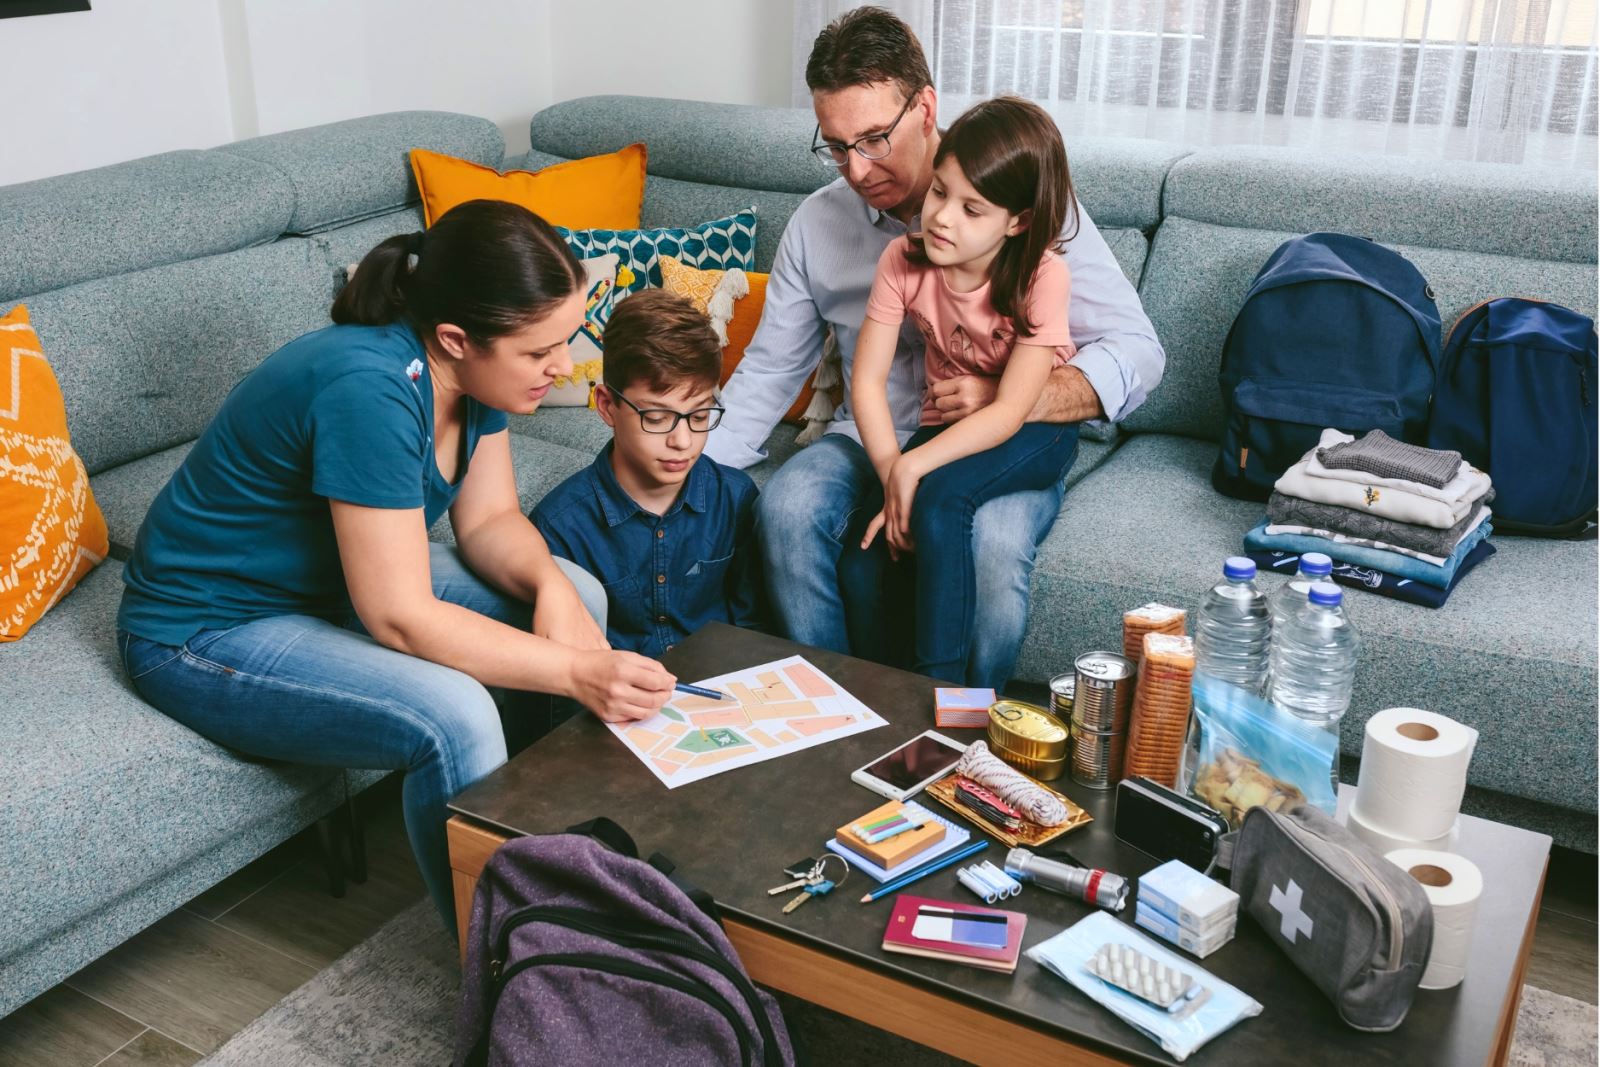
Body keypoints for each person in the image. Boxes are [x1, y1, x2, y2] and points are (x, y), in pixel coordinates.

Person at [116, 200, 677, 932]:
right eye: (540, 351)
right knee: (455, 715)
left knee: (576, 590)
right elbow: (400, 614)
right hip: (204, 628)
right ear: (455, 338)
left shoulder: (476, 379)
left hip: (324, 589)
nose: (563, 366)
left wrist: (548, 588)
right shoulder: (370, 388)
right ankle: (504, 970)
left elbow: (490, 521)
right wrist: (574, 671)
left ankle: (564, 851)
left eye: (565, 341)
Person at [705, 6, 1165, 690]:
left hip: (996, 435)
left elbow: (1138, 350)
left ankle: (965, 733)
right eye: (836, 145)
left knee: (994, 545)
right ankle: (841, 712)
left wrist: (1016, 396)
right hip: (871, 435)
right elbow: (771, 370)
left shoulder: (1022, 202)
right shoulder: (820, 226)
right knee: (787, 507)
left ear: (925, 107)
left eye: (874, 139)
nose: (856, 169)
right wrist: (682, 471)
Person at [854, 96, 1079, 684]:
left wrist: (915, 471)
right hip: (947, 425)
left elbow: (1009, 412)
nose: (943, 218)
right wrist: (890, 474)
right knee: (876, 542)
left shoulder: (1041, 276)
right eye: (939, 193)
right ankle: (884, 691)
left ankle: (943, 698)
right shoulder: (902, 260)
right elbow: (867, 381)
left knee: (943, 499)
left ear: (1018, 221)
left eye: (971, 208)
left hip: (1035, 430)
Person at [532, 290, 763, 655]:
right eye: (657, 418)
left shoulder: (736, 498)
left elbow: (754, 629)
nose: (683, 440)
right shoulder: (559, 526)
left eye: (700, 416)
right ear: (607, 406)